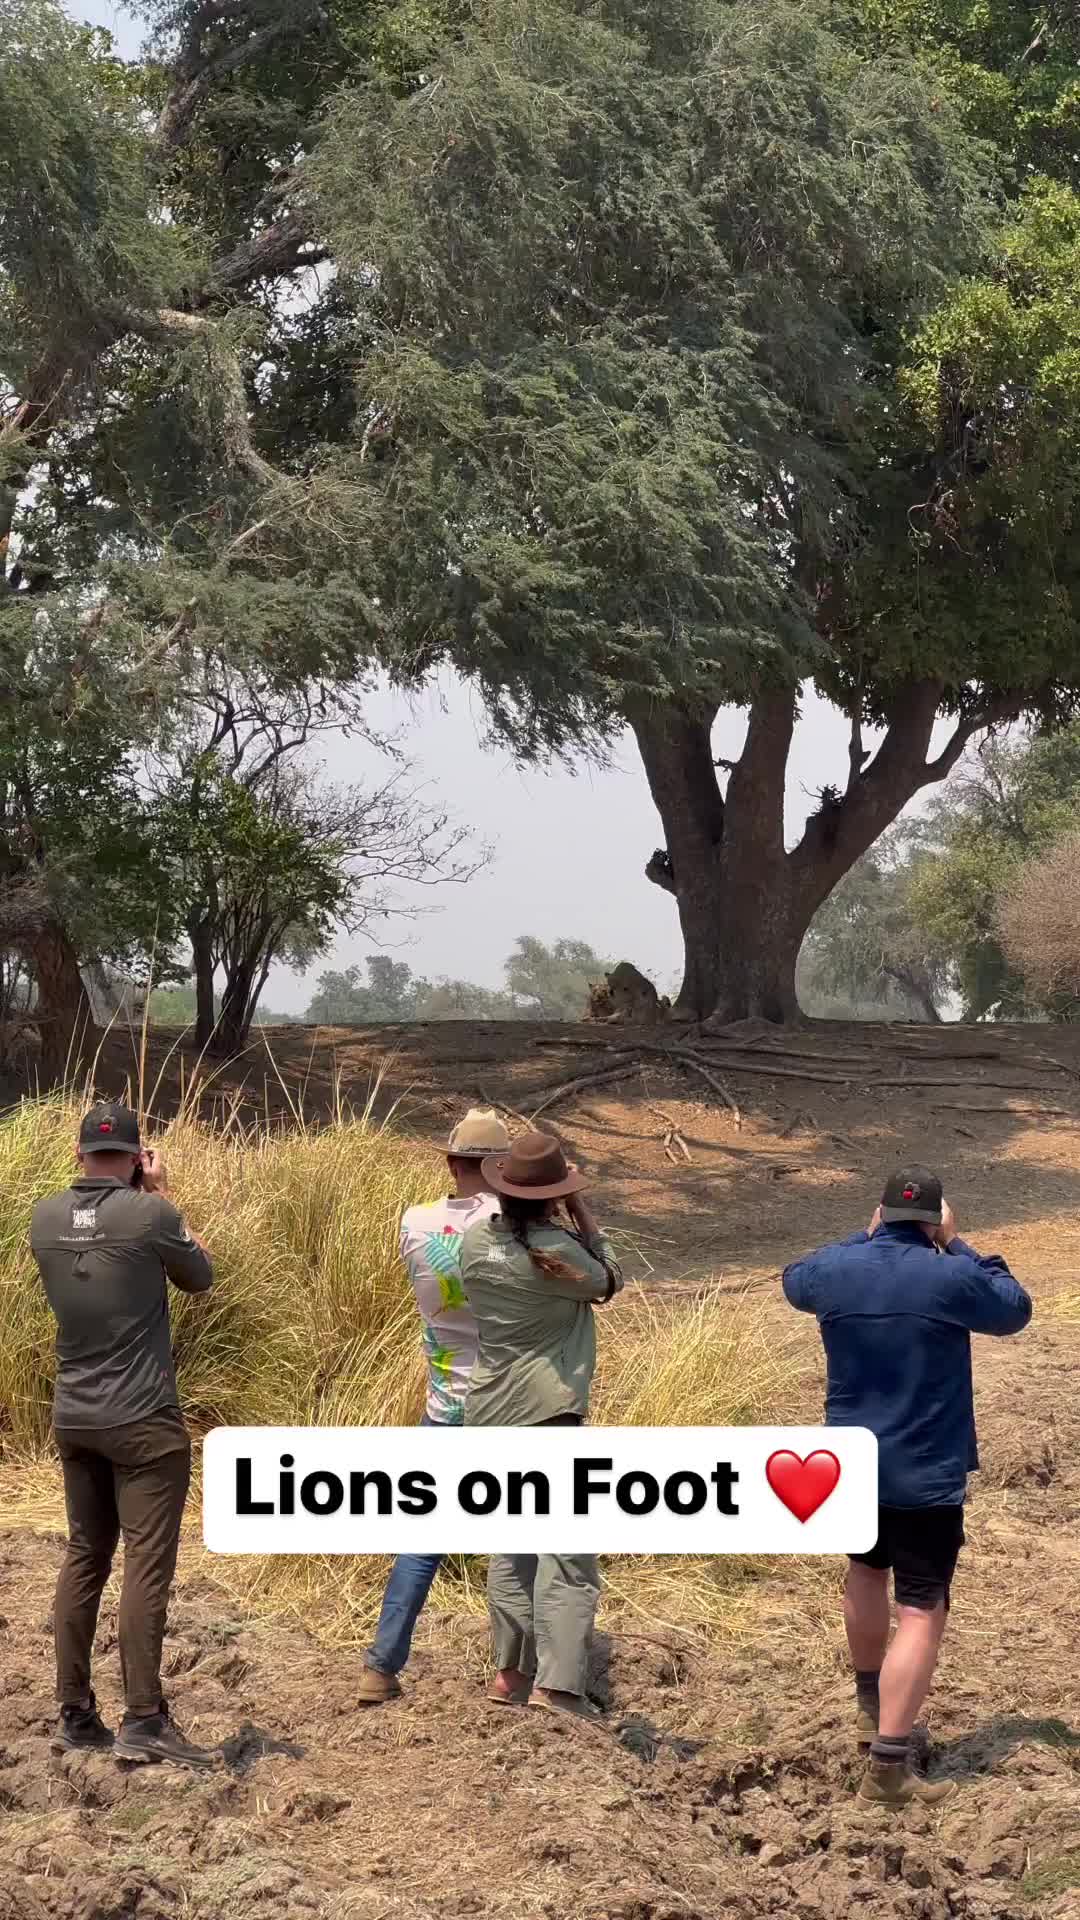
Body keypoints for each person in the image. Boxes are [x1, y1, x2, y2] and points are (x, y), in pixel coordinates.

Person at [783, 1166, 1031, 1808]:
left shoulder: (837, 1269)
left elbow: (795, 1279)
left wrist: (862, 1240)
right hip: (925, 1467)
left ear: (881, 1213)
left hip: (849, 1463)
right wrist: (962, 1245)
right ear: (936, 1219)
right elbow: (1015, 1309)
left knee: (865, 1574)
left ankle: (871, 1708)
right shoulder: (951, 1274)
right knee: (920, 1608)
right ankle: (889, 1766)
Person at [31, 1101, 216, 1769]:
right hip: (142, 1421)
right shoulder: (152, 1213)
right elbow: (201, 1276)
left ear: (79, 1155)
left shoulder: (44, 1217)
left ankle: (75, 1712)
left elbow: (96, 1244)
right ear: (139, 1156)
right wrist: (159, 1193)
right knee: (146, 1564)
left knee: (85, 1557)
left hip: (73, 1415)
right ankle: (144, 1715)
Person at [461, 1131, 624, 1720]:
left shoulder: (476, 1241)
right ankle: (561, 1687)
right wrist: (584, 1214)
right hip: (548, 1412)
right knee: (568, 1555)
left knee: (510, 1550)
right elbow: (610, 1280)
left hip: (486, 1412)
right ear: (555, 1196)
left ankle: (510, 1677)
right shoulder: (562, 1251)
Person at [356, 1107, 511, 1706]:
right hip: (507, 1401)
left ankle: (381, 1664)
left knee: (423, 1539)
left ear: (451, 1163)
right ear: (501, 1167)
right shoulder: (512, 1224)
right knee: (521, 1540)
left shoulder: (413, 1221)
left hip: (444, 1402)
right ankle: (511, 1671)